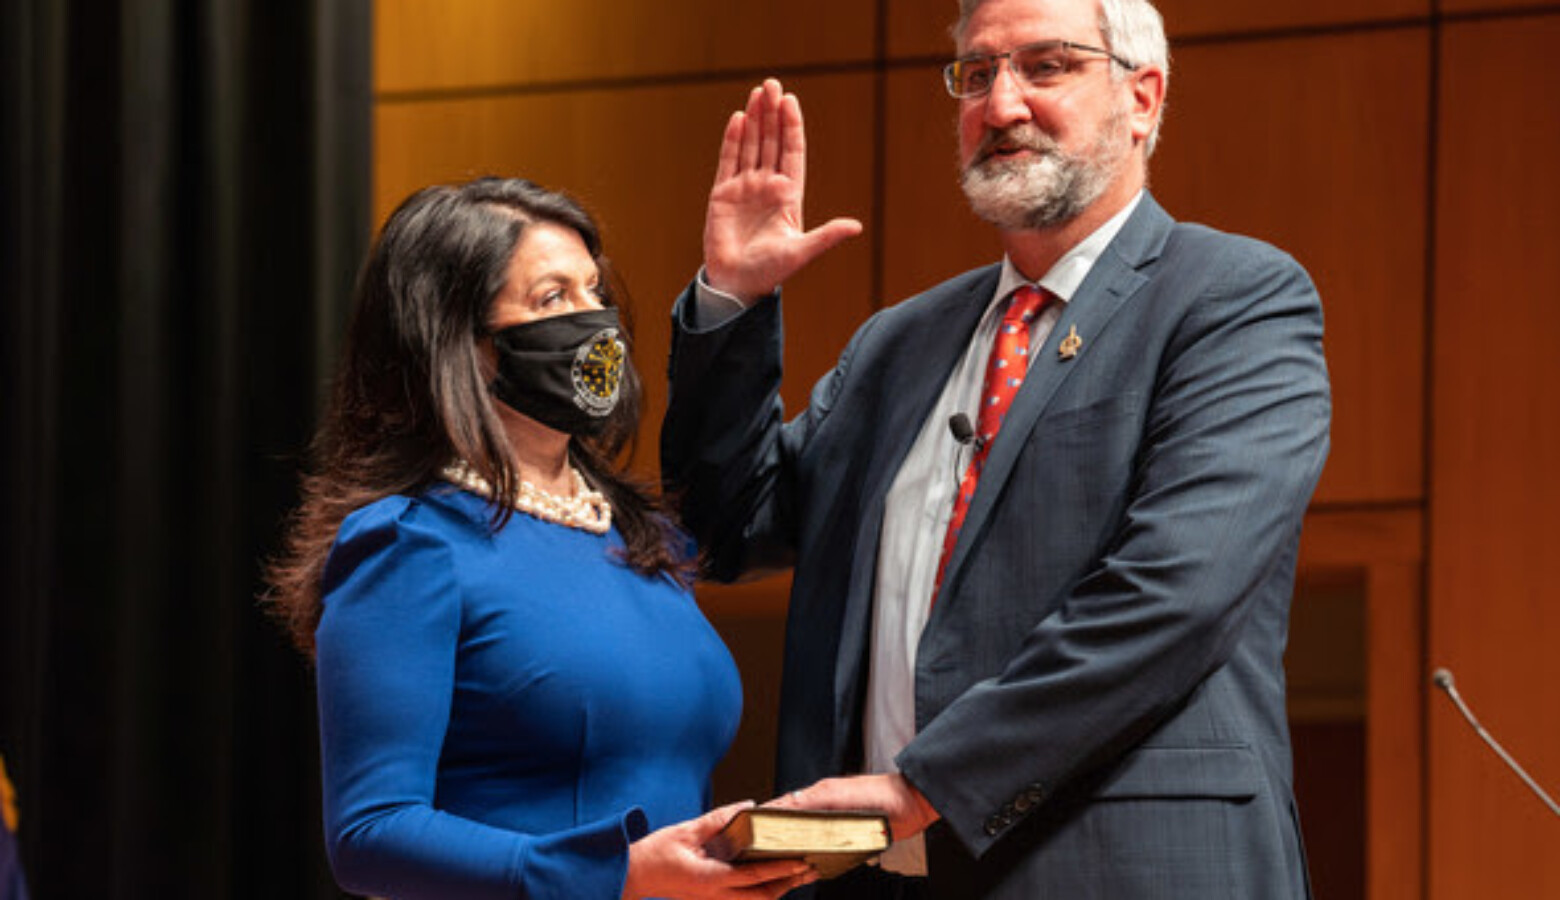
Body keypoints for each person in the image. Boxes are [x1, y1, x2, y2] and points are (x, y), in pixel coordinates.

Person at [660, 0, 1330, 896]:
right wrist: (733, 302)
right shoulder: (899, 344)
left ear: (1143, 97)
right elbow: (723, 529)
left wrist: (924, 786)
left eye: (1046, 66)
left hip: (1124, 867)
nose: (1001, 105)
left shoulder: (1233, 302)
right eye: (976, 75)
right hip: (879, 873)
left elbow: (1175, 595)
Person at [266, 177, 818, 900]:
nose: (596, 321)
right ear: (460, 340)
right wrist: (614, 874)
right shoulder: (408, 542)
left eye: (595, 290)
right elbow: (371, 836)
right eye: (554, 298)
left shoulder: (644, 537)